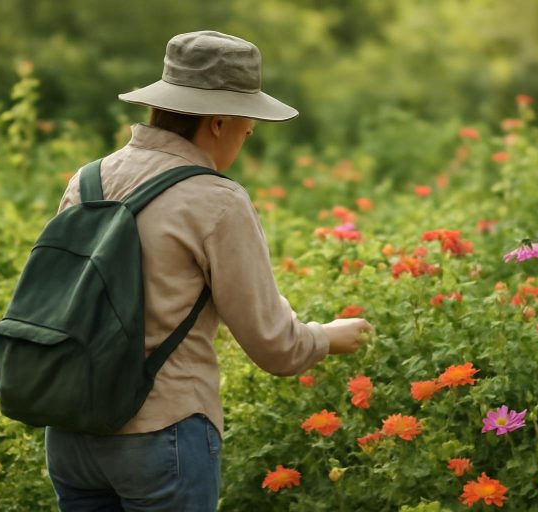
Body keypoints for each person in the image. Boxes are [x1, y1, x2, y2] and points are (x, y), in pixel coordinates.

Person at [44, 30, 373, 512]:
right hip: (161, 435)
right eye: (248, 129)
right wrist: (326, 336)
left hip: (71, 431)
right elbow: (275, 346)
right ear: (218, 122)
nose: (246, 140)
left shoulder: (89, 179)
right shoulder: (215, 199)